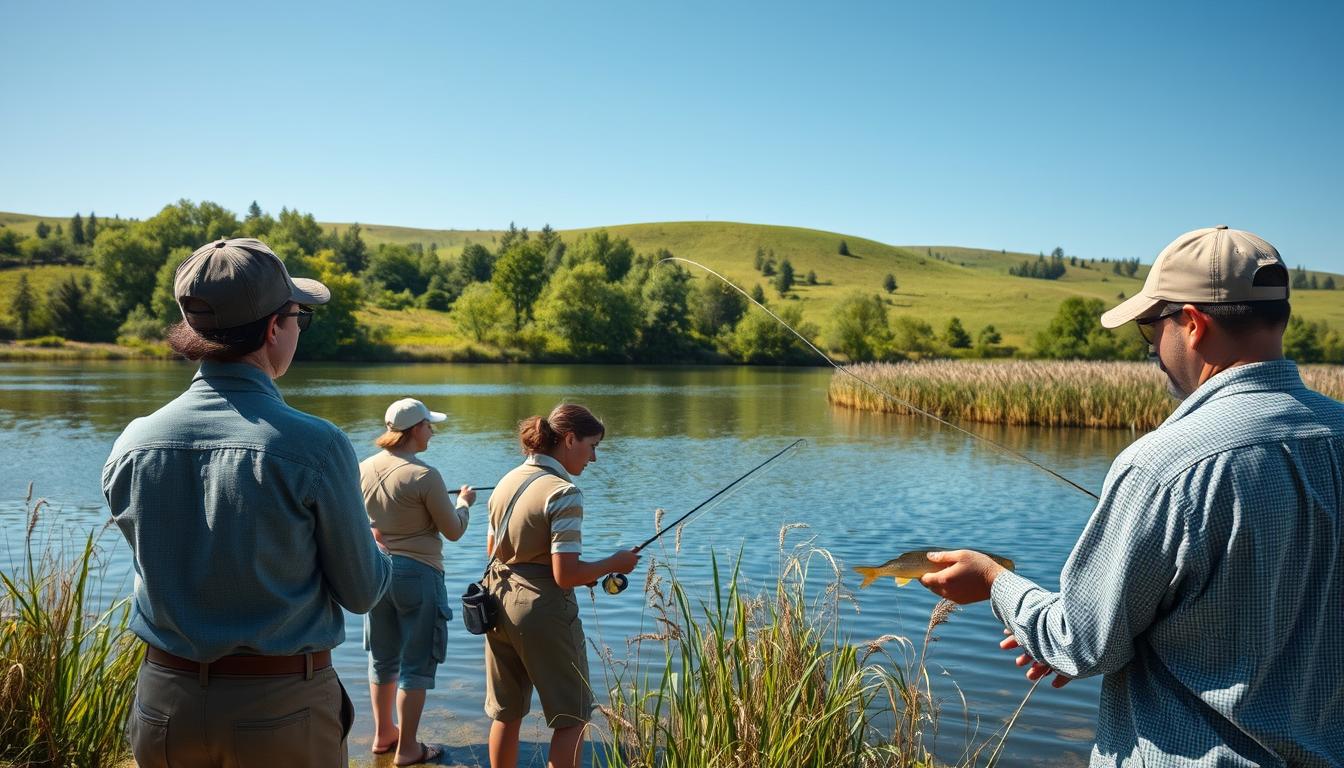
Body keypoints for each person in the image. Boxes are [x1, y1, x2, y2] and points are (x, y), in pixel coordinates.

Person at [919, 226, 1344, 766]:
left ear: (1192, 324)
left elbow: (1081, 642)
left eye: (1150, 330)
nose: (1153, 352)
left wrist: (993, 582)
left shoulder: (1163, 464)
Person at [103, 237, 392, 768]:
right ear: (272, 328)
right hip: (281, 708)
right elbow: (362, 591)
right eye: (299, 315)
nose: (299, 328)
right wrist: (378, 553)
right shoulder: (316, 445)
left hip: (165, 703)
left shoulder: (133, 443)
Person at [483, 403, 640, 768]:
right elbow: (564, 575)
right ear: (570, 439)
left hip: (496, 601)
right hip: (543, 610)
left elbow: (495, 550)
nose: (594, 458)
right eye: (593, 445)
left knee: (506, 712)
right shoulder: (563, 492)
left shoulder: (506, 481)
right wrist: (615, 563)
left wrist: (584, 570)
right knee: (572, 715)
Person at [360, 397, 475, 766]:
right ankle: (408, 748)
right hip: (419, 574)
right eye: (429, 425)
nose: (433, 431)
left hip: (376, 573)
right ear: (413, 430)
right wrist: (465, 503)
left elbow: (353, 520)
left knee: (382, 659)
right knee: (416, 664)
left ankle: (383, 735)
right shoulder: (425, 475)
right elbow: (454, 531)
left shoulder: (361, 468)